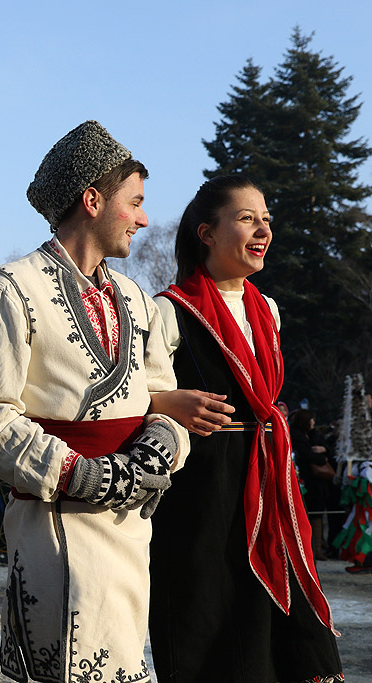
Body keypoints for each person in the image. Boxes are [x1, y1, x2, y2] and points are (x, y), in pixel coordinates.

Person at [0, 120, 190, 683]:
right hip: (53, 528)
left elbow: (162, 400)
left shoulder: (138, 300)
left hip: (131, 526)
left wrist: (154, 456)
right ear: (92, 200)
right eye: (134, 202)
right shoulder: (9, 289)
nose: (142, 218)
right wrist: (82, 474)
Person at [148, 175, 342, 682]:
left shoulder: (267, 309)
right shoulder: (169, 310)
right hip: (201, 487)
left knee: (272, 612)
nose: (263, 229)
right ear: (206, 234)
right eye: (247, 218)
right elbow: (131, 396)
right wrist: (166, 400)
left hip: (267, 478)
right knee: (208, 611)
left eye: (266, 219)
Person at [290, 409, 335, 561]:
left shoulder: (314, 434)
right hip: (305, 480)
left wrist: (324, 450)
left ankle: (317, 548)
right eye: (311, 420)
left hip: (318, 482)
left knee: (318, 515)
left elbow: (327, 448)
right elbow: (306, 454)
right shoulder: (296, 435)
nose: (313, 423)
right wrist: (323, 459)